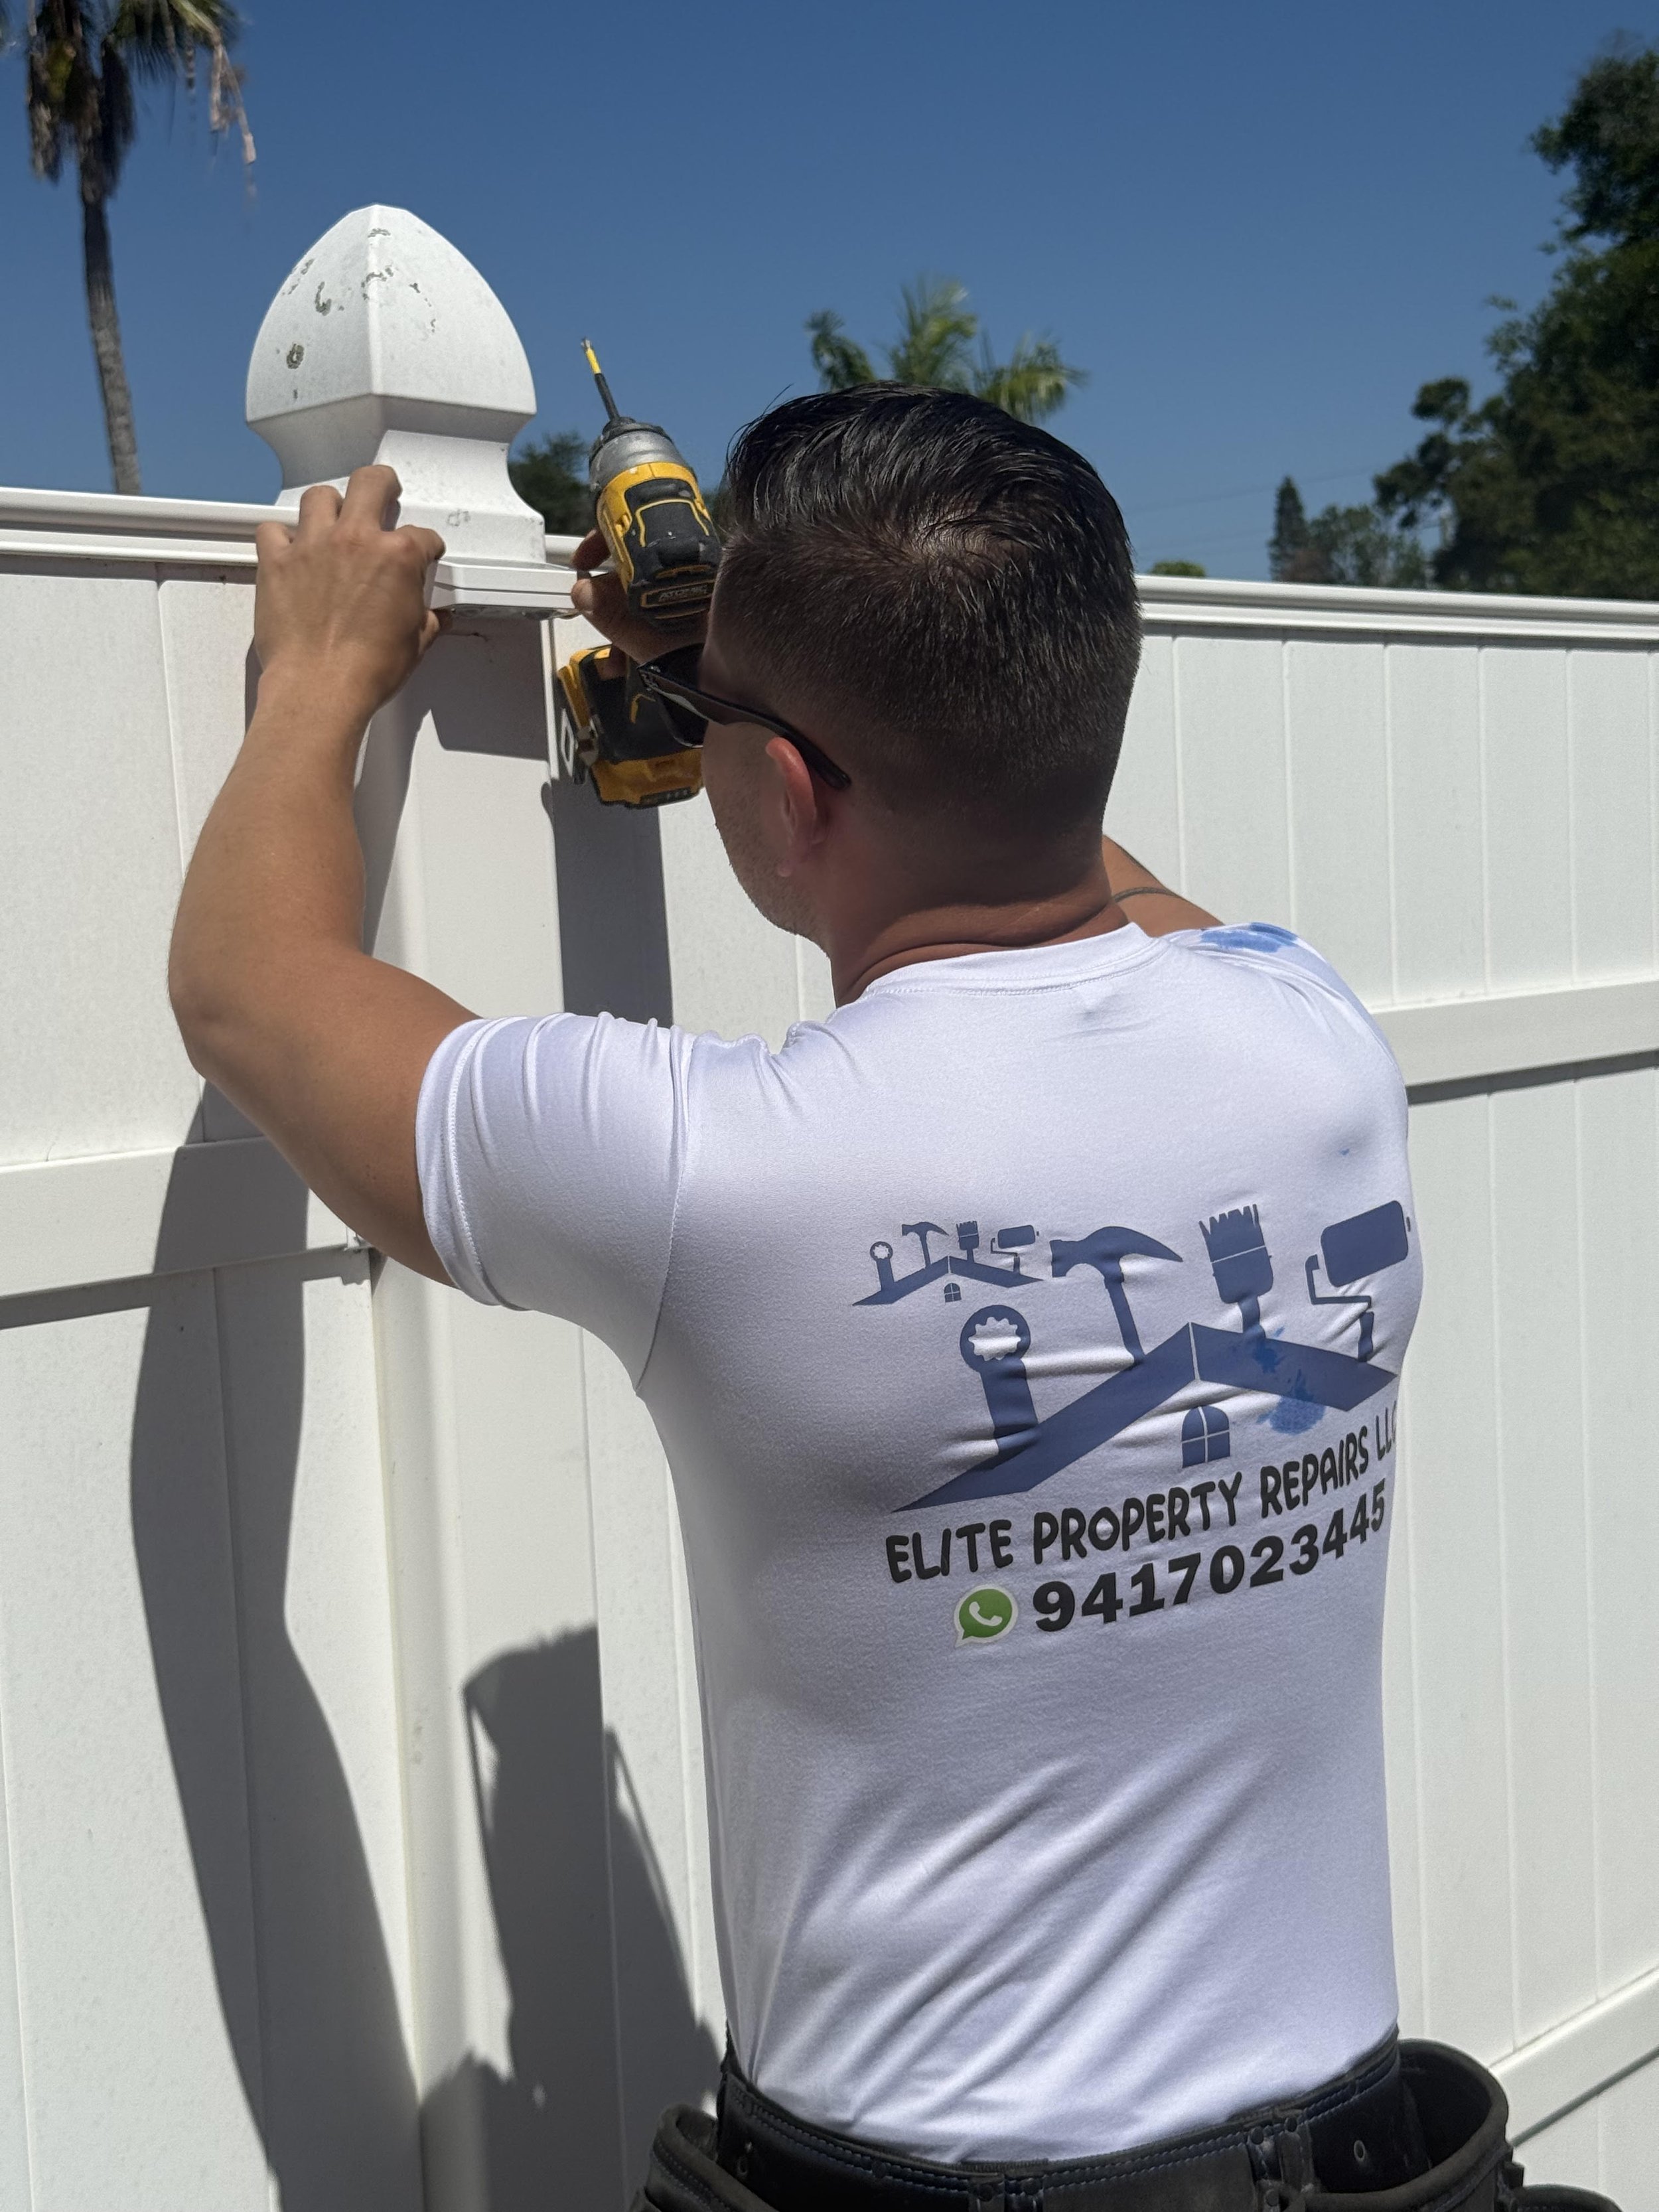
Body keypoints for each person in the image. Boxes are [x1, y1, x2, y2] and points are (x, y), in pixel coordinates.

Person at [169, 389, 1597, 2212]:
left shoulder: (717, 1176)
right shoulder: (1314, 1039)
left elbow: (248, 985)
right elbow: (1095, 863)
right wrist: (773, 683)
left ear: (783, 789)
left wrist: (317, 673)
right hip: (1369, 2168)